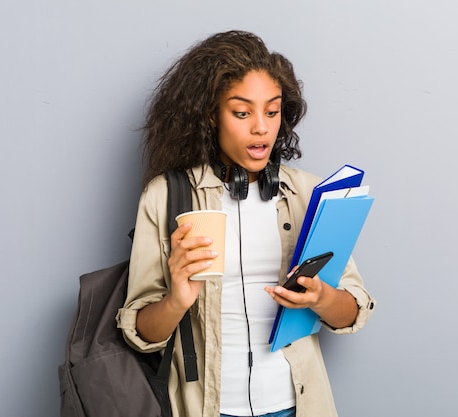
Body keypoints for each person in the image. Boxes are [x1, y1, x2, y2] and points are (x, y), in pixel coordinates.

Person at [117, 30, 375, 417]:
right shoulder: (166, 196)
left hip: (297, 404)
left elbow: (354, 310)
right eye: (242, 113)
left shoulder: (307, 192)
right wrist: (177, 300)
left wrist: (321, 298)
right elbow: (141, 335)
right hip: (207, 408)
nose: (261, 128)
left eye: (272, 112)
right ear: (210, 115)